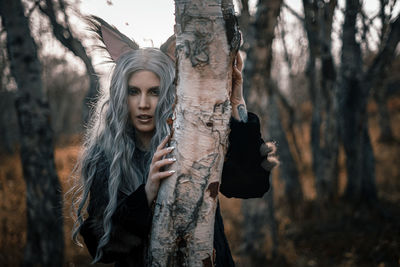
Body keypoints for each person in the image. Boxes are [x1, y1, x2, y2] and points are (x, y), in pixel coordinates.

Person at [72, 16, 278, 267]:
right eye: (134, 91)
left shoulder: (194, 141)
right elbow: (100, 246)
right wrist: (147, 193)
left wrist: (236, 102)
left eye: (155, 91)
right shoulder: (106, 156)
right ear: (119, 95)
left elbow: (251, 185)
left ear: (170, 91)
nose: (144, 104)